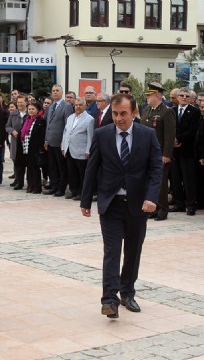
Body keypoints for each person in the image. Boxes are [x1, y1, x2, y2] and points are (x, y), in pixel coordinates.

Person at [80, 93, 162, 319]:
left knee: (133, 251)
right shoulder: (102, 135)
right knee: (112, 251)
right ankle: (109, 300)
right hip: (111, 204)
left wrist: (151, 197)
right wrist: (86, 200)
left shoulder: (148, 135)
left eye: (123, 113)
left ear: (134, 113)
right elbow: (92, 168)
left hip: (138, 205)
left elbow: (156, 169)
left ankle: (127, 292)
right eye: (115, 114)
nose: (118, 118)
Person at [140, 82, 176, 221]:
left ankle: (163, 209)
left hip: (160, 153)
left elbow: (169, 135)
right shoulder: (147, 110)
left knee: (160, 183)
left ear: (157, 95)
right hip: (146, 153)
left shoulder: (167, 111)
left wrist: (166, 154)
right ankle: (153, 207)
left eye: (149, 96)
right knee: (149, 182)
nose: (147, 98)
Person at [170, 88, 201, 215]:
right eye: (181, 95)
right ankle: (179, 204)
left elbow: (193, 130)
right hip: (174, 151)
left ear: (190, 98)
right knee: (175, 178)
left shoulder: (194, 111)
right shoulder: (172, 111)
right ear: (177, 98)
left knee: (188, 179)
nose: (183, 97)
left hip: (187, 149)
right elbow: (170, 128)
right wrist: (172, 140)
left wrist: (179, 139)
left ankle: (191, 205)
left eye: (186, 96)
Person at [43, 84, 74, 197]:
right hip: (50, 142)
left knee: (62, 167)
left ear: (62, 92)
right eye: (53, 91)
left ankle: (61, 189)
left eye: (57, 90)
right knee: (53, 167)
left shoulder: (66, 106)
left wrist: (64, 142)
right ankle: (54, 186)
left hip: (60, 142)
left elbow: (67, 125)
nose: (55, 92)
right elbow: (48, 124)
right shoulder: (51, 107)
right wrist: (46, 139)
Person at [61, 97, 94, 200]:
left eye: (80, 105)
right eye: (76, 105)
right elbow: (66, 132)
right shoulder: (70, 117)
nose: (78, 107)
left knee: (82, 174)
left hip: (81, 151)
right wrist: (63, 146)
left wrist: (88, 150)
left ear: (85, 106)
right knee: (72, 172)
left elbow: (90, 136)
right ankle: (73, 190)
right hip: (70, 149)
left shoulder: (89, 119)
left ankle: (81, 193)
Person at [21, 102, 47, 194]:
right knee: (29, 168)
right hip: (26, 147)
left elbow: (42, 135)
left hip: (35, 148)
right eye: (29, 109)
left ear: (37, 110)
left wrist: (41, 149)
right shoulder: (26, 120)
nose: (31, 111)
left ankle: (37, 187)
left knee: (35, 168)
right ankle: (30, 185)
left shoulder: (41, 121)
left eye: (33, 109)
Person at [6, 94, 28, 189]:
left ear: (26, 103)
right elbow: (7, 126)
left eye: (21, 102)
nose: (19, 104)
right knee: (18, 163)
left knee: (28, 163)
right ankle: (19, 182)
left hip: (27, 142)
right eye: (18, 102)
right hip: (16, 142)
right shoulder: (13, 113)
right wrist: (12, 131)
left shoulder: (30, 113)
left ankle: (30, 183)